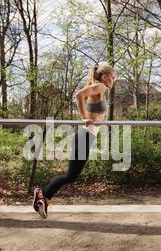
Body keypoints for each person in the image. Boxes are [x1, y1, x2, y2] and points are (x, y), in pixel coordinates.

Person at [32, 62, 117, 219]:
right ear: (104, 77)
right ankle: (42, 194)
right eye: (113, 77)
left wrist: (94, 119)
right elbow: (78, 95)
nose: (114, 80)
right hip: (84, 135)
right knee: (70, 176)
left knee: (71, 176)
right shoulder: (100, 86)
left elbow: (94, 111)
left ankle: (46, 198)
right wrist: (84, 117)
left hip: (87, 136)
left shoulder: (99, 88)